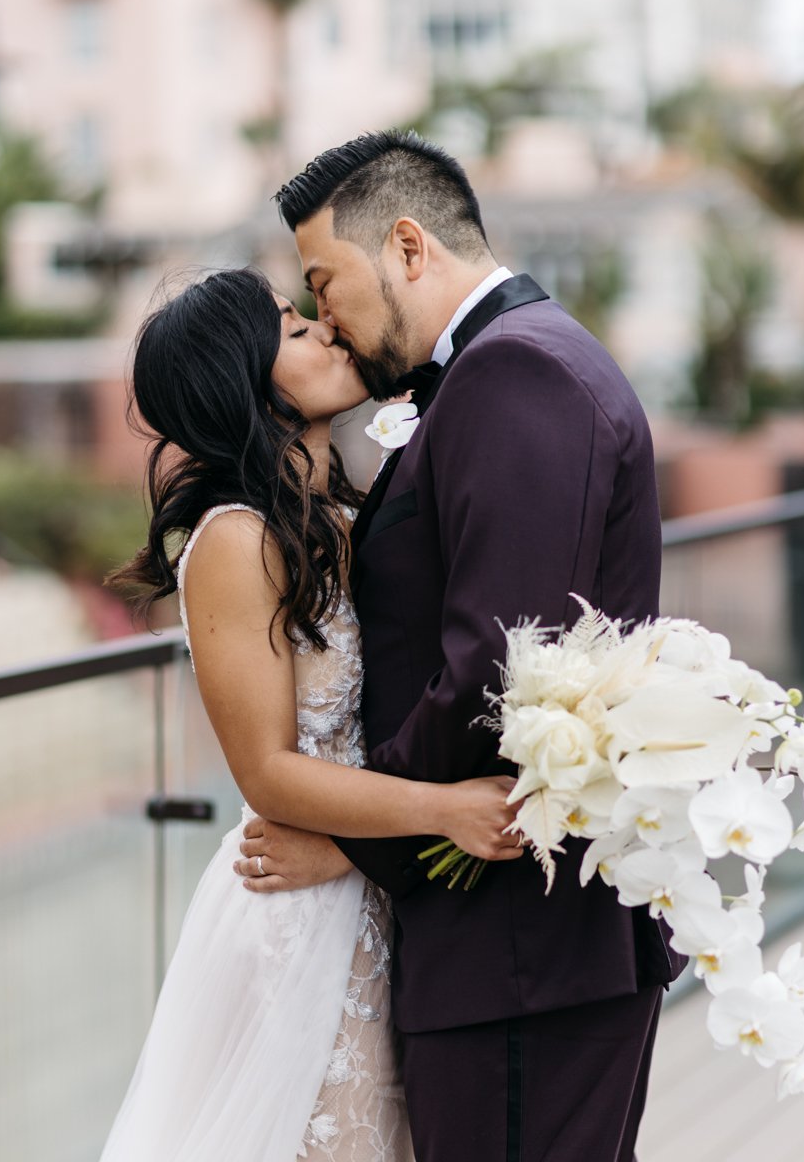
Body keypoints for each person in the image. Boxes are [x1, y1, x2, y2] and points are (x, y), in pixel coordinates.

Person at [237, 131, 688, 1162]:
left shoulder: (513, 372)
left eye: (324, 282)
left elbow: (493, 668)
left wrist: (354, 844)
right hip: (515, 947)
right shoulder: (506, 366)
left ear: (405, 246)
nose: (327, 320)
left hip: (518, 951)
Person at [102, 267, 520, 1162]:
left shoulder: (335, 514)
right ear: (243, 382)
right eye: (294, 329)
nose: (328, 332)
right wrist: (448, 810)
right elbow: (266, 771)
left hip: (367, 882)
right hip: (298, 923)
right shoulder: (236, 540)